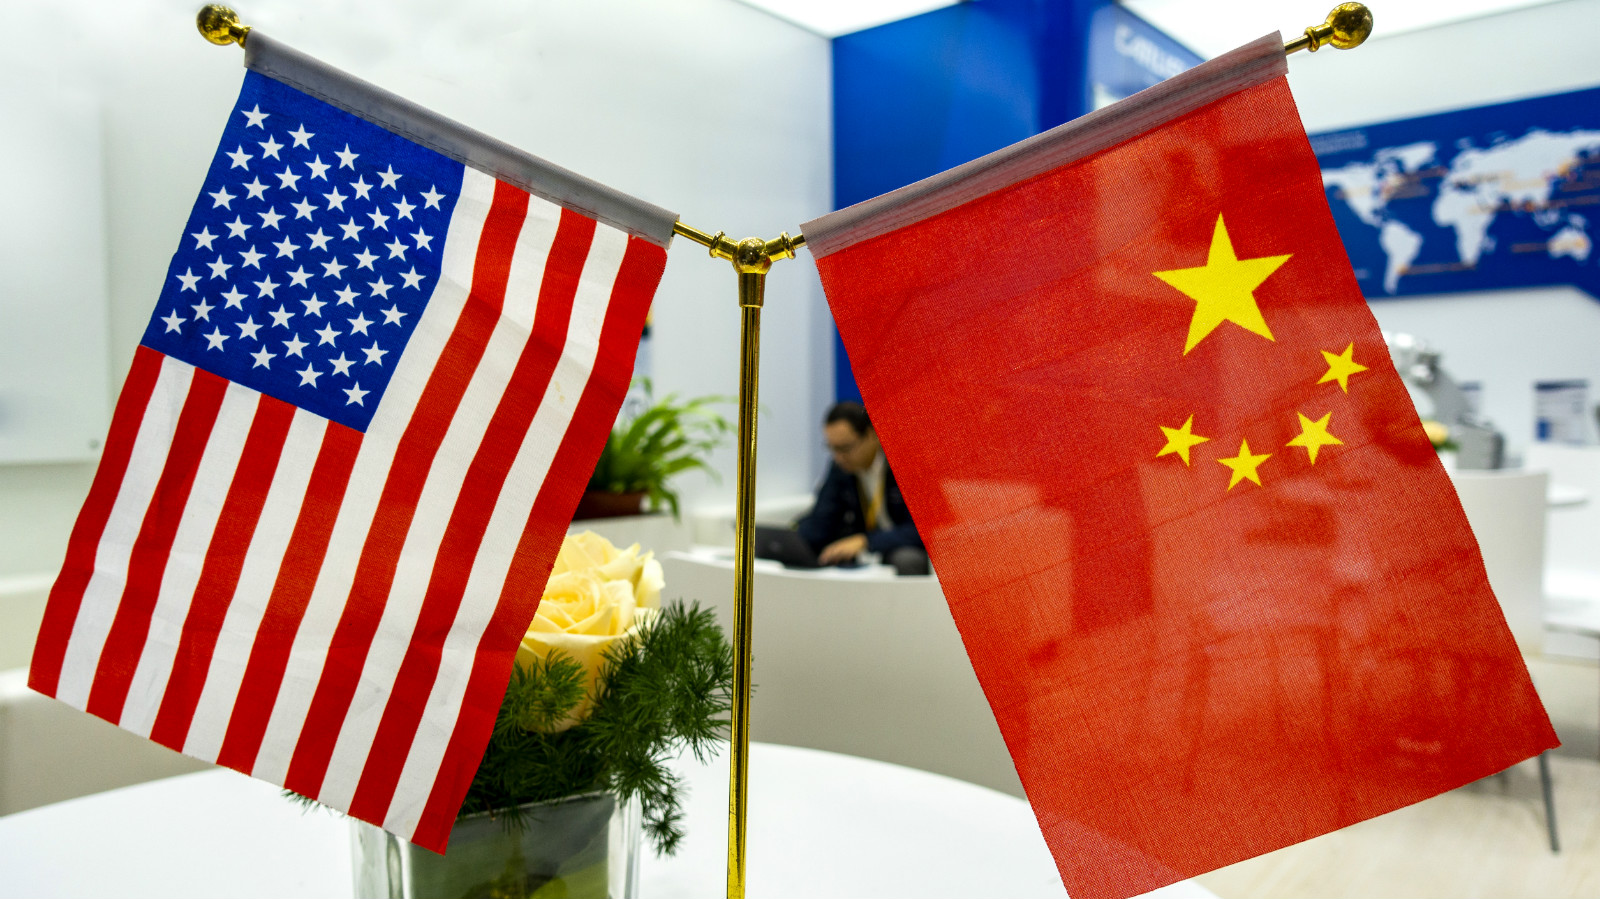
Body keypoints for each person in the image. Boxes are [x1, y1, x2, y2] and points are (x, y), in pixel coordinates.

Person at [796, 401, 930, 576]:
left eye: (845, 448)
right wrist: (792, 539)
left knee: (907, 559)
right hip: (861, 543)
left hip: (898, 544)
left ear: (871, 435)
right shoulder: (840, 467)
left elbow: (922, 530)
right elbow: (822, 520)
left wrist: (865, 541)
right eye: (832, 448)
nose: (838, 457)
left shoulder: (908, 464)